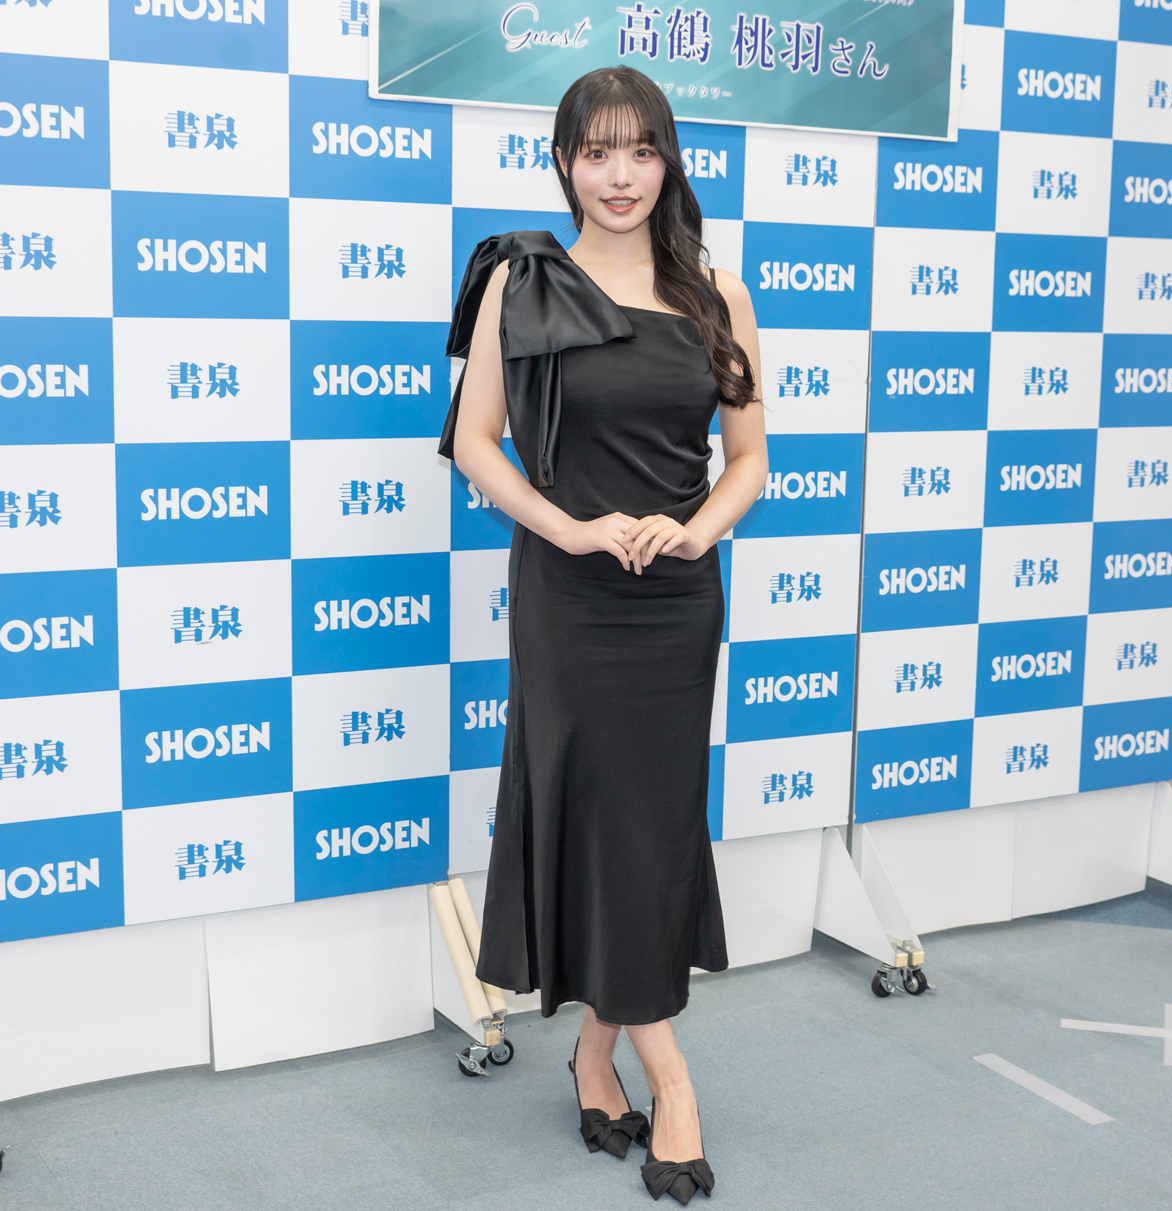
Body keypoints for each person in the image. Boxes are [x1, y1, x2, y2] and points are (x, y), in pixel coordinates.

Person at [441, 65, 767, 1205]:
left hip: (676, 602)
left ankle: (594, 1051)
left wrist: (694, 531)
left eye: (640, 150)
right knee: (594, 818)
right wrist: (573, 529)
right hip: (569, 595)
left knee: (651, 830)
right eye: (596, 152)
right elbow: (475, 441)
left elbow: (748, 461)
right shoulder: (522, 282)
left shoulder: (717, 294)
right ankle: (668, 1076)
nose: (619, 175)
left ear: (667, 159)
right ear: (564, 162)